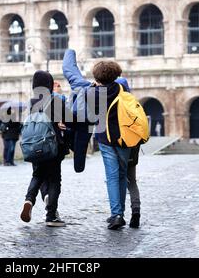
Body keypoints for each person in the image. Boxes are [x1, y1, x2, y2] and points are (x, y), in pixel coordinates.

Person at [63, 49, 131, 230]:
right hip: (125, 137)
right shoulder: (122, 86)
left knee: (112, 175)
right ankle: (120, 213)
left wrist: (70, 52)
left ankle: (116, 214)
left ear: (96, 77)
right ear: (116, 75)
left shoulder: (88, 90)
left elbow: (69, 70)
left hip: (105, 138)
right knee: (122, 174)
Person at [20, 70, 69, 227]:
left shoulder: (32, 102)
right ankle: (51, 216)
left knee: (37, 175)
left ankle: (29, 200)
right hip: (52, 145)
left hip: (35, 145)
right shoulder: (56, 100)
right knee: (55, 180)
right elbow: (68, 120)